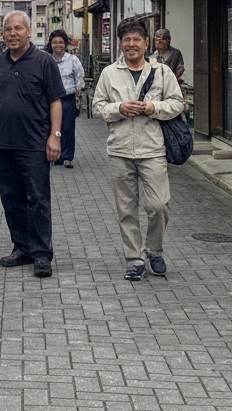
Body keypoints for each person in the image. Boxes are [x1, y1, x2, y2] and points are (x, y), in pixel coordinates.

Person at [92, 20, 185, 282]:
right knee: (126, 209)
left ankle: (154, 250)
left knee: (159, 206)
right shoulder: (109, 73)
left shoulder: (162, 72)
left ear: (146, 43)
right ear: (120, 44)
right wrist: (119, 108)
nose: (131, 44)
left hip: (152, 148)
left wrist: (154, 108)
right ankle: (134, 259)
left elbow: (178, 103)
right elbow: (97, 107)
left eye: (136, 40)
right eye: (126, 40)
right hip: (120, 149)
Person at [0, 11, 64, 279]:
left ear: (29, 31)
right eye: (8, 29)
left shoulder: (44, 62)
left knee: (38, 198)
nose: (13, 33)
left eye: (18, 28)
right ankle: (22, 247)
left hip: (35, 144)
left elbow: (55, 101)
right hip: (4, 143)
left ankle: (41, 253)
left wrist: (55, 136)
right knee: (11, 198)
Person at [47, 29, 84, 169]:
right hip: (50, 99)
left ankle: (67, 157)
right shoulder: (46, 59)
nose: (58, 45)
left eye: (61, 42)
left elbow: (79, 77)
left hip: (67, 98)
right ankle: (54, 155)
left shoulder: (73, 60)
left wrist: (78, 93)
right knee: (51, 127)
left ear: (65, 44)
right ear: (51, 44)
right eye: (55, 42)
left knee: (68, 127)